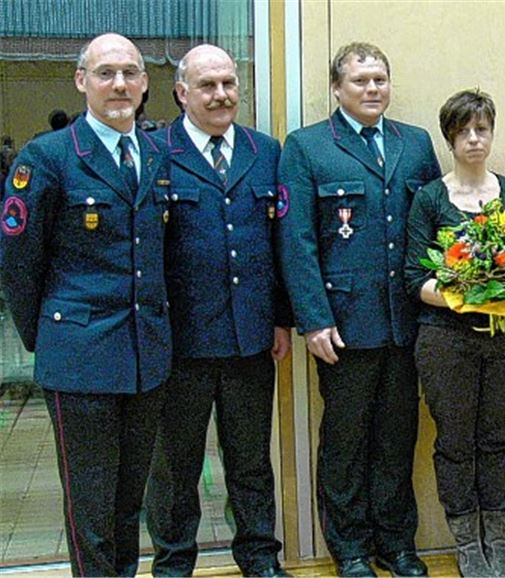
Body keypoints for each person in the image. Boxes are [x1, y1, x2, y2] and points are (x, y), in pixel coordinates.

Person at [0, 33, 171, 577]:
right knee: (90, 508)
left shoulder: (158, 154)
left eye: (130, 73)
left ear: (145, 83)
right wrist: (52, 338)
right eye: (105, 73)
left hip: (145, 359)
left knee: (128, 502)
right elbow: (18, 265)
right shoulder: (46, 158)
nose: (119, 84)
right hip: (80, 359)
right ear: (81, 81)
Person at [277, 42, 441, 578]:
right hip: (344, 323)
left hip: (406, 321)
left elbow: (435, 228)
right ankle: (348, 547)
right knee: (346, 442)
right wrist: (313, 317)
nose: (373, 89)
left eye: (380, 79)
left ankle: (396, 543)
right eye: (361, 81)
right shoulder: (306, 147)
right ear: (337, 88)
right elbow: (295, 239)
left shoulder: (413, 144)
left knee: (398, 440)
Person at [145, 44, 292, 578]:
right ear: (182, 92)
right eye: (207, 85)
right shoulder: (153, 152)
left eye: (228, 83)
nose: (221, 94)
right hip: (180, 341)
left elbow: (282, 244)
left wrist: (280, 317)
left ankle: (259, 556)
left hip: (249, 337)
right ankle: (174, 562)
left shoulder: (266, 151)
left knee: (251, 460)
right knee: (176, 464)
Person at [404, 89, 505, 578]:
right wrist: (471, 294)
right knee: (456, 440)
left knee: (499, 438)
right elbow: (416, 279)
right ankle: (467, 545)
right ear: (450, 138)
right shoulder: (431, 198)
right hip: (447, 339)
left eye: (482, 129)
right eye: (464, 132)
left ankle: (497, 542)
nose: (475, 140)